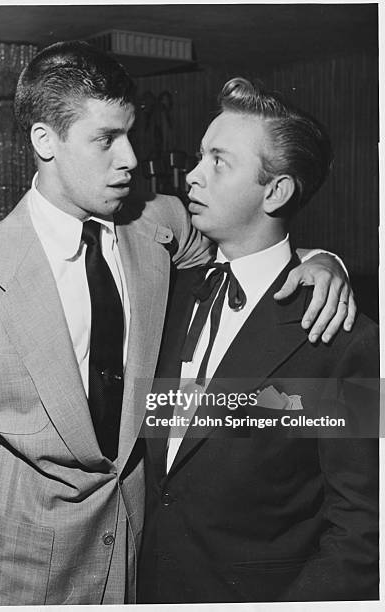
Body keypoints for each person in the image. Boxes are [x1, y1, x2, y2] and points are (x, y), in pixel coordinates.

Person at [0, 43, 354, 606]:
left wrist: (322, 262)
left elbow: (247, 252)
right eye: (104, 140)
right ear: (44, 141)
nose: (129, 158)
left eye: (129, 134)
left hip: (144, 565)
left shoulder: (159, 224)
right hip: (22, 576)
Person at [137, 77, 379, 603]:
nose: (193, 176)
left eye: (218, 162)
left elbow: (361, 535)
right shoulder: (169, 293)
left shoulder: (344, 342)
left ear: (276, 191)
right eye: (200, 156)